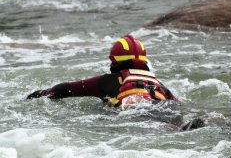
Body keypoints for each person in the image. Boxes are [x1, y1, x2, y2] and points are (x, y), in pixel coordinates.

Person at [27, 34, 178, 109]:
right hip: (161, 109)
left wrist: (38, 94)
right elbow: (177, 104)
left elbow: (65, 89)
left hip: (132, 115)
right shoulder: (159, 84)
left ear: (114, 61)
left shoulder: (107, 81)